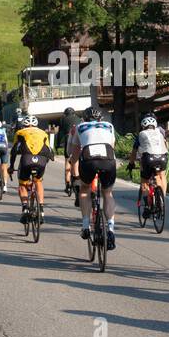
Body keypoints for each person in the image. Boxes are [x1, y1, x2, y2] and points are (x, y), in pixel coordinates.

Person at [70, 106, 118, 249]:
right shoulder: (109, 126)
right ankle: (110, 228)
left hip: (89, 160)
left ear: (84, 118)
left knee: (84, 190)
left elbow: (75, 153)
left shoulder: (80, 127)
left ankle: (85, 226)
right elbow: (112, 146)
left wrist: (74, 170)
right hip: (108, 159)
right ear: (100, 119)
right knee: (108, 193)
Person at [9, 114, 54, 225]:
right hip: (41, 160)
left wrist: (11, 166)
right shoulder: (43, 133)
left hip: (27, 159)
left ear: (24, 125)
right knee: (38, 181)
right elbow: (49, 151)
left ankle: (25, 208)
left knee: (22, 184)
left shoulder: (20, 132)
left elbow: (14, 151)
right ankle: (41, 210)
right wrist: (44, 163)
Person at [128, 114, 169, 214]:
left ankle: (146, 206)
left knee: (144, 181)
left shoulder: (141, 134)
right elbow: (166, 146)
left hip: (149, 159)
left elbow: (134, 152)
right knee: (160, 176)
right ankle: (161, 199)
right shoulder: (160, 133)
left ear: (143, 126)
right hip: (163, 158)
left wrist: (131, 163)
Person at [59, 106, 81, 194]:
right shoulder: (79, 119)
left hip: (68, 139)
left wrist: (58, 144)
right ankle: (77, 182)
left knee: (67, 162)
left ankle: (67, 185)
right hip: (78, 140)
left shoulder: (62, 120)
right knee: (77, 162)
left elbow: (60, 133)